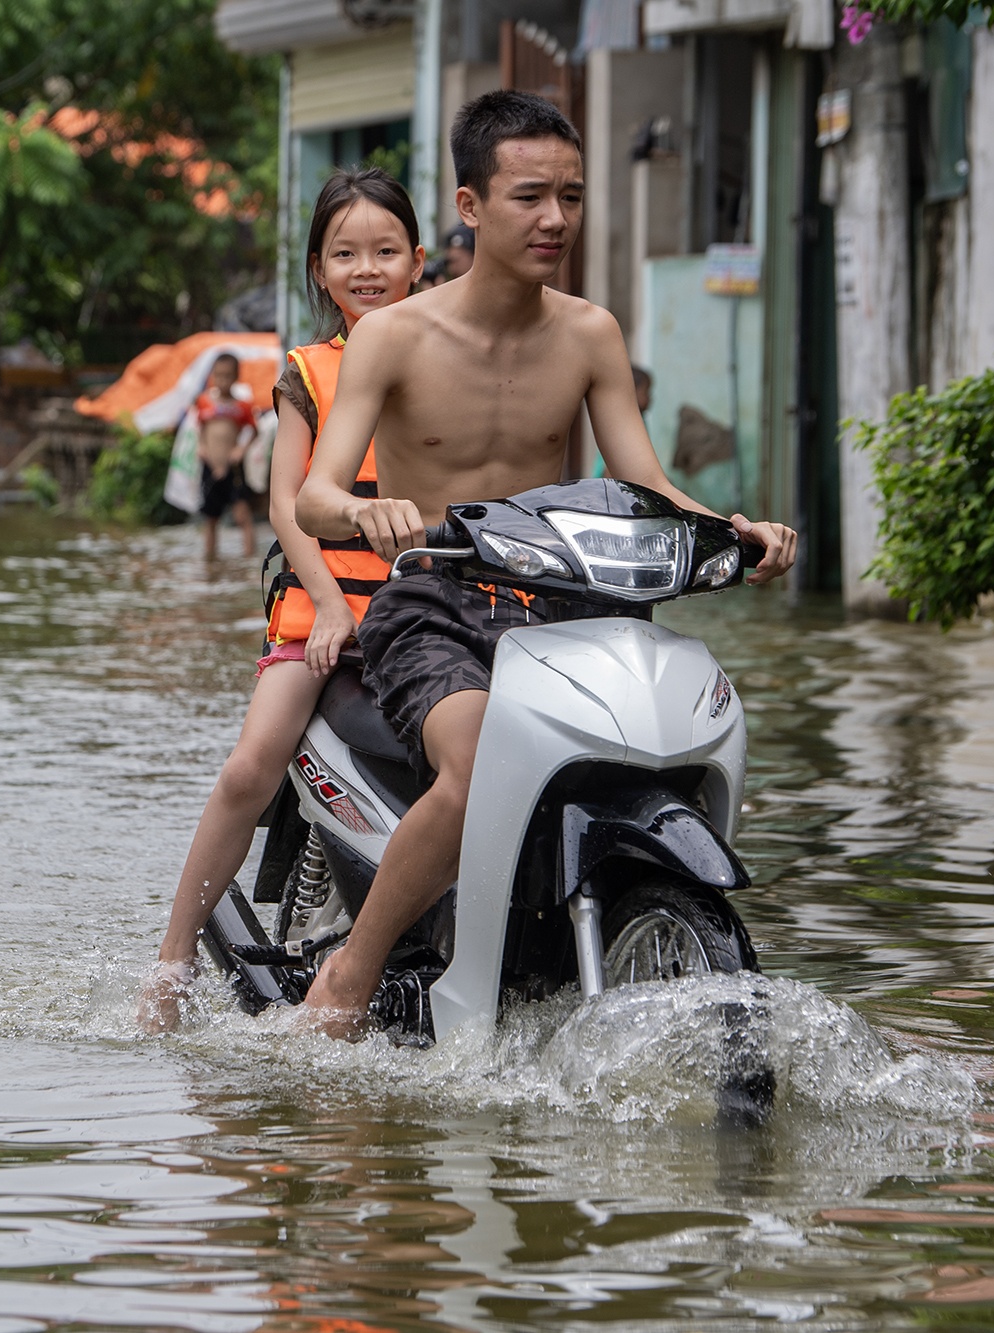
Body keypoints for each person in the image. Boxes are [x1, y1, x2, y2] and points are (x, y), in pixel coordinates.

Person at [293, 91, 798, 1037]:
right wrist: (369, 510)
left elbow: (644, 480)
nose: (556, 218)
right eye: (530, 196)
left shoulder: (590, 333)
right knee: (478, 760)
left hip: (564, 600)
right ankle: (350, 977)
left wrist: (732, 527)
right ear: (471, 206)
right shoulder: (391, 336)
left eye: (570, 195)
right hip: (432, 601)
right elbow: (314, 497)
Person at [139, 167, 426, 1032]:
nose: (367, 269)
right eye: (346, 253)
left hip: (430, 605)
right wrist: (333, 605)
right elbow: (283, 504)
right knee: (248, 764)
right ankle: (174, 958)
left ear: (419, 257)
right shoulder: (308, 371)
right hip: (323, 604)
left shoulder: (448, 353)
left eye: (385, 250)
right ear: (319, 268)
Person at [194, 354, 259, 559]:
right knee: (211, 517)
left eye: (227, 376)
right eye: (219, 376)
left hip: (233, 468)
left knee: (242, 514)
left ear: (236, 377)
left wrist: (240, 449)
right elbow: (200, 429)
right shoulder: (204, 402)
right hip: (210, 467)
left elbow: (255, 431)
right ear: (213, 376)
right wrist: (202, 447)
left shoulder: (242, 406)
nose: (222, 381)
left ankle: (249, 558)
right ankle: (210, 559)